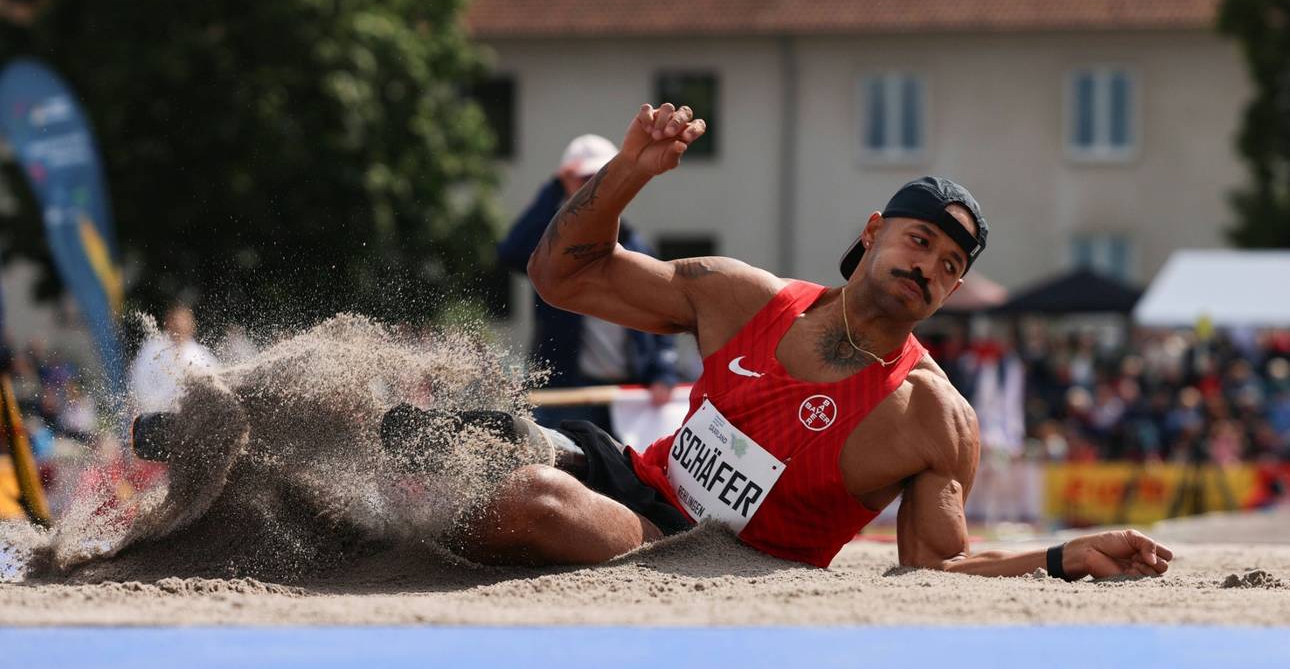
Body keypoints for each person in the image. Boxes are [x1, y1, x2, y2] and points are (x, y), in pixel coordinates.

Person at [426, 102, 1172, 579]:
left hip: (689, 554)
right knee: (484, 440)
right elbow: (561, 277)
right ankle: (345, 503)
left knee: (534, 499)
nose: (930, 268)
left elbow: (937, 572)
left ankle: (396, 542)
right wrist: (628, 174)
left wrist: (1060, 554)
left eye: (950, 265)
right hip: (633, 477)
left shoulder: (931, 417)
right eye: (919, 241)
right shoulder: (741, 296)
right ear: (873, 233)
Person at [498, 134, 679, 432]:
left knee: (627, 475)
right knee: (565, 470)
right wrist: (555, 190)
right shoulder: (551, 248)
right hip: (567, 390)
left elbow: (663, 309)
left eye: (601, 177)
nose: (593, 187)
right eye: (584, 178)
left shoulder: (636, 245)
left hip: (631, 394)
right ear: (567, 182)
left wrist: (663, 370)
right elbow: (513, 252)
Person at [128, 303, 218, 413]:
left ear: (192, 326)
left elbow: (214, 386)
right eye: (175, 323)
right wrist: (156, 407)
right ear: (168, 323)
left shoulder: (202, 356)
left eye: (183, 324)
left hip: (191, 415)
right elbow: (140, 381)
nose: (179, 327)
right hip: (156, 413)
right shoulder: (152, 349)